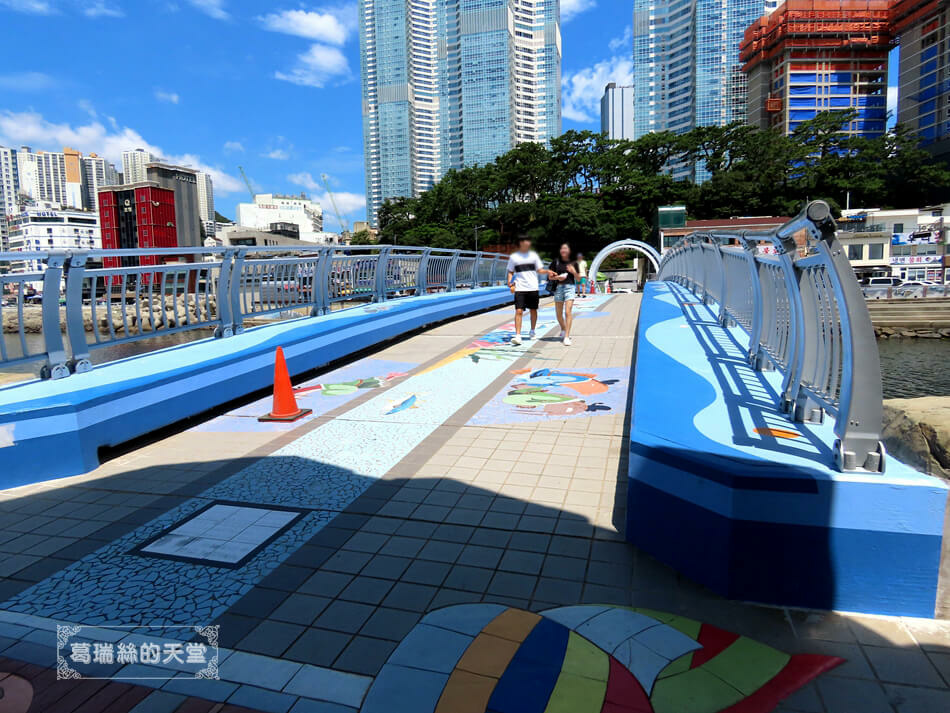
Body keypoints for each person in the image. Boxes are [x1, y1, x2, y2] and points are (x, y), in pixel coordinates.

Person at [506, 237, 557, 346]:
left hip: (533, 287)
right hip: (520, 288)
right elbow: (510, 271)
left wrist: (548, 271)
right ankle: (518, 335)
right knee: (518, 311)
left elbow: (539, 270)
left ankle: (532, 330)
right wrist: (509, 281)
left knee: (533, 310)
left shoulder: (534, 256)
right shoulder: (514, 257)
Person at [548, 243, 579, 346]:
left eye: (566, 248)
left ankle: (566, 336)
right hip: (558, 288)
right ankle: (563, 327)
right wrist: (558, 278)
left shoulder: (574, 262)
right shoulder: (555, 262)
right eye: (562, 248)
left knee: (568, 312)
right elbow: (550, 277)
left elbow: (579, 278)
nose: (563, 250)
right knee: (558, 314)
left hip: (569, 287)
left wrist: (573, 272)